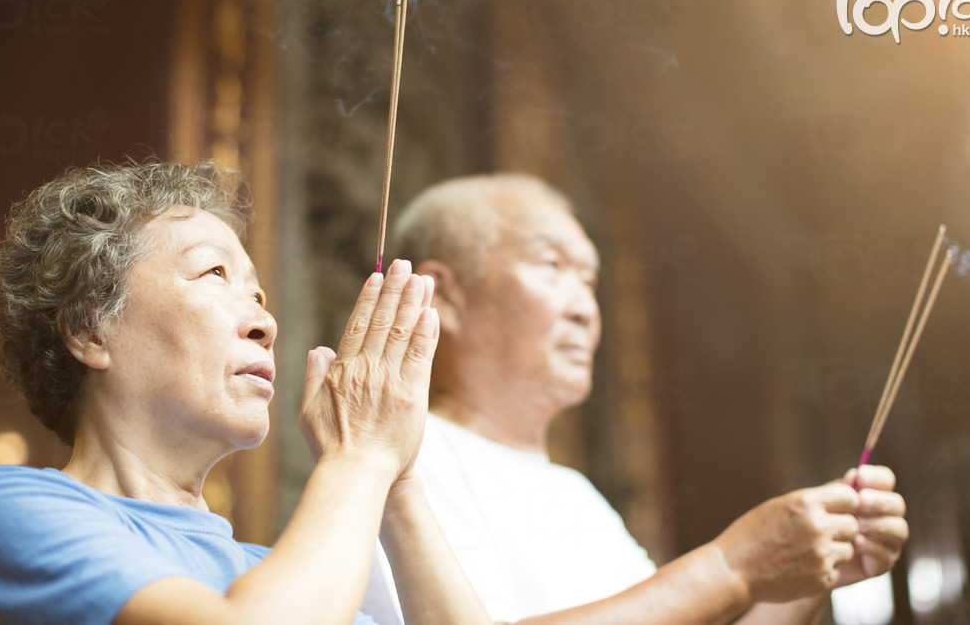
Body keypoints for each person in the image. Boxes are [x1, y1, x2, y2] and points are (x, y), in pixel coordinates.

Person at [0, 160, 491, 625]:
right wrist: (359, 455)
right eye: (215, 274)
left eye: (261, 296)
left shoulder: (276, 578)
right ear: (90, 329)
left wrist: (397, 477)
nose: (264, 325)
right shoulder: (9, 511)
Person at [363, 174, 909, 624]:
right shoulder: (404, 455)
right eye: (551, 266)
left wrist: (815, 565)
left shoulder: (572, 492)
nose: (585, 310)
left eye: (590, 282)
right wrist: (733, 562)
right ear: (446, 296)